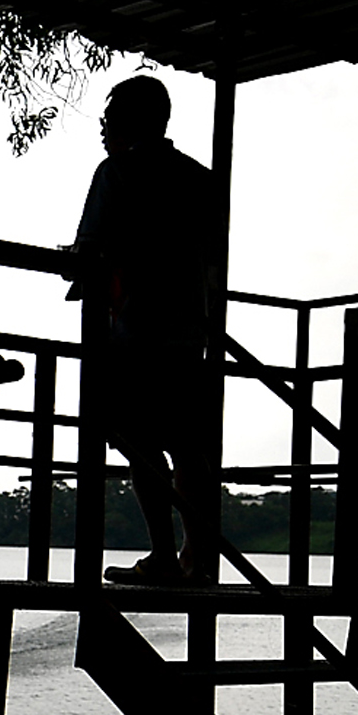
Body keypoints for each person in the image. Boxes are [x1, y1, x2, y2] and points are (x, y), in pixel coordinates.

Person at [67, 75, 223, 584]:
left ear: (131, 122)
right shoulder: (201, 180)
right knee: (186, 445)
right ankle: (198, 558)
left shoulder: (117, 173)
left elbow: (86, 253)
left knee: (136, 441)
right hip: (189, 332)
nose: (103, 130)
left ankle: (162, 554)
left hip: (135, 330)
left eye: (108, 120)